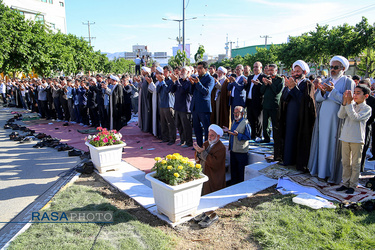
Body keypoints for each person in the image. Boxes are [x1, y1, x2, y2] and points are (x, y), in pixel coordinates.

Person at [308, 55, 356, 184]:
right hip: (323, 119)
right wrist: (323, 92)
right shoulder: (327, 79)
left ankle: (331, 174)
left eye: (336, 67)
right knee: (322, 144)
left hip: (337, 121)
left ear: (343, 68)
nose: (332, 70)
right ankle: (320, 172)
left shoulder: (348, 82)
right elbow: (317, 99)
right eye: (331, 67)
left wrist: (332, 91)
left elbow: (347, 101)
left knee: (333, 146)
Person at [276, 60, 316, 170]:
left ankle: (299, 163)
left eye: (298, 71)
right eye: (294, 71)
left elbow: (305, 101)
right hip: (289, 115)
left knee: (299, 139)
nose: (295, 73)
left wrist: (294, 88)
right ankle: (288, 160)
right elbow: (285, 98)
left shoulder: (308, 84)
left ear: (304, 72)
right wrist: (288, 88)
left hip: (301, 118)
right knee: (288, 137)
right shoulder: (292, 83)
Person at [336, 85, 371, 194]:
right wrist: (344, 102)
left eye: (358, 93)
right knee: (345, 162)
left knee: (355, 163)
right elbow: (340, 115)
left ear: (366, 96)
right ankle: (345, 183)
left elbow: (355, 117)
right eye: (354, 92)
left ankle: (353, 184)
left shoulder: (367, 109)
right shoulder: (351, 105)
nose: (355, 95)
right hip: (345, 137)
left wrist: (349, 103)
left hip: (357, 139)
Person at [194, 124, 226, 195]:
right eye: (209, 135)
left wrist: (202, 152)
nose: (209, 137)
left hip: (213, 175)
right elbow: (199, 156)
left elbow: (214, 163)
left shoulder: (221, 148)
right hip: (203, 171)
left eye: (212, 135)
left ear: (218, 137)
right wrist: (198, 152)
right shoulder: (206, 143)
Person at [189, 61, 215, 147]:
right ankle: (199, 145)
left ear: (206, 69)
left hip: (204, 108)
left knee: (207, 129)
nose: (198, 70)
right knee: (197, 128)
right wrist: (192, 84)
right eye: (197, 68)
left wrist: (198, 83)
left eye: (200, 68)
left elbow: (206, 92)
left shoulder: (210, 79)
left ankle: (206, 146)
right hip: (195, 107)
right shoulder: (196, 78)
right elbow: (191, 92)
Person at [223, 106, 251, 185]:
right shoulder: (234, 122)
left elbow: (248, 137)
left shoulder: (245, 123)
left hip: (241, 152)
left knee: (240, 173)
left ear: (242, 113)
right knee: (234, 172)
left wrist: (238, 135)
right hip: (233, 150)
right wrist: (228, 131)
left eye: (237, 113)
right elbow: (232, 134)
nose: (235, 114)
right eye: (234, 113)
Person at [260, 64, 284, 143]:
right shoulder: (266, 78)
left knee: (275, 124)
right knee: (265, 123)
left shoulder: (280, 79)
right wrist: (265, 84)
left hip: (274, 105)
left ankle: (276, 140)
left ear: (276, 71)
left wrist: (271, 83)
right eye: (269, 70)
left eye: (271, 70)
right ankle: (266, 138)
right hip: (266, 104)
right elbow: (261, 91)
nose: (270, 72)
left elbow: (277, 91)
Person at [171, 66, 193, 148]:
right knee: (179, 124)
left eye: (184, 71)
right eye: (181, 70)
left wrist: (177, 81)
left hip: (185, 107)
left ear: (188, 72)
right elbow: (172, 90)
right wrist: (174, 82)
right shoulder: (178, 81)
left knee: (186, 125)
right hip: (177, 106)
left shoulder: (189, 81)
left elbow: (183, 90)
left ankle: (189, 142)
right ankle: (182, 140)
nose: (181, 72)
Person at [245, 61, 267, 140]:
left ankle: (259, 135)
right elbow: (247, 88)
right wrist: (245, 84)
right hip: (249, 101)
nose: (255, 69)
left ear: (261, 68)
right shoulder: (250, 77)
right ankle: (252, 135)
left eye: (256, 67)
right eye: (254, 67)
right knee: (250, 119)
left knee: (258, 120)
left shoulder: (263, 77)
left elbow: (263, 89)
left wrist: (259, 84)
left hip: (258, 102)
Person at [157, 65, 176, 145]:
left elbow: (168, 90)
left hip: (169, 105)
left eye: (165, 72)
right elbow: (157, 90)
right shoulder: (162, 81)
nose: (163, 73)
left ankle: (172, 139)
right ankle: (165, 137)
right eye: (163, 72)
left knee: (170, 123)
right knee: (163, 122)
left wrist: (163, 82)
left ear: (170, 72)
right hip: (162, 104)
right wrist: (160, 82)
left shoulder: (171, 81)